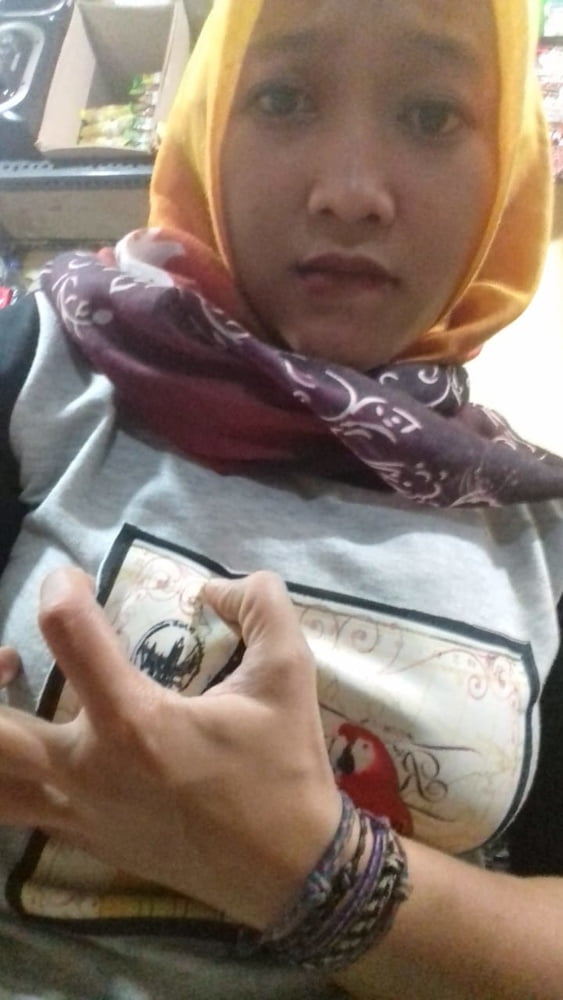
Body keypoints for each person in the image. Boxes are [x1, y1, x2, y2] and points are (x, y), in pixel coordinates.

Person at [0, 0, 562, 996]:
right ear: (209, 120)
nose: (349, 194)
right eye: (284, 97)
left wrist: (307, 865)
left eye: (431, 115)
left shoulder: (540, 532)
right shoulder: (43, 371)